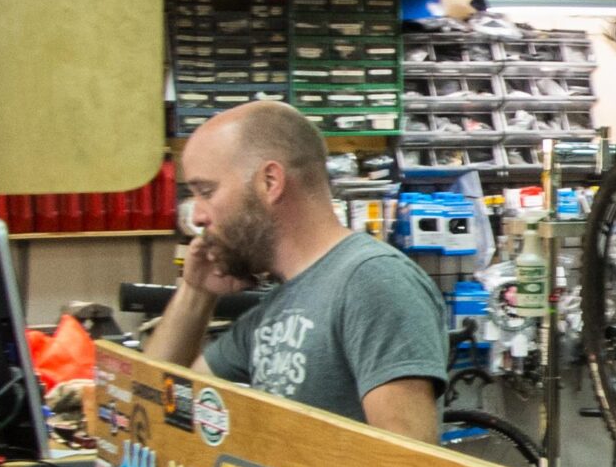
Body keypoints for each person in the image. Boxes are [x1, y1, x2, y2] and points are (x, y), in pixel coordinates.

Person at [148, 100, 446, 442]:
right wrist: (196, 293)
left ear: (270, 181)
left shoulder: (373, 282)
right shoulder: (278, 305)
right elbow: (159, 403)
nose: (197, 217)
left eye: (207, 191)